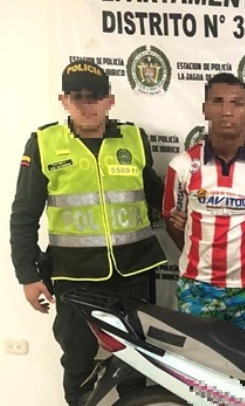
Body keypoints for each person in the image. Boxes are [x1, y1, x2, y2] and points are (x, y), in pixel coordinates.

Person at [10, 60, 167, 406]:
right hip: (74, 275)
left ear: (109, 100)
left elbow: (153, 193)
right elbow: (24, 216)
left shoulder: (134, 138)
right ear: (63, 100)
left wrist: (180, 211)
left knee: (136, 357)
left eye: (94, 97)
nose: (86, 105)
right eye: (77, 97)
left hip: (134, 271)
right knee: (78, 359)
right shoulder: (43, 143)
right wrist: (27, 275)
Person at [163, 72, 245, 335]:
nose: (227, 111)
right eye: (218, 101)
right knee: (197, 357)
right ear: (205, 109)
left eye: (236, 103)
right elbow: (173, 223)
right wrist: (200, 258)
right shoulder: (182, 166)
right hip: (197, 287)